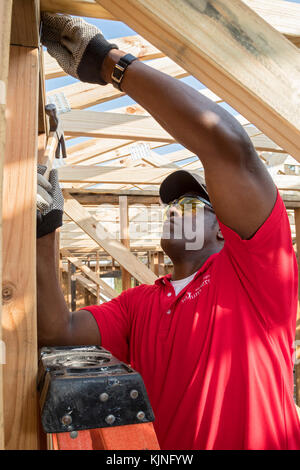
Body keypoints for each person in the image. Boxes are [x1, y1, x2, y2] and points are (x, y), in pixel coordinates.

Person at [37, 13, 300, 450]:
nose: (176, 211)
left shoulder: (254, 275)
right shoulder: (141, 303)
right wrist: (47, 227)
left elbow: (227, 145)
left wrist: (106, 62)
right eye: (172, 205)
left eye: (193, 204)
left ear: (224, 231)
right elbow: (57, 329)